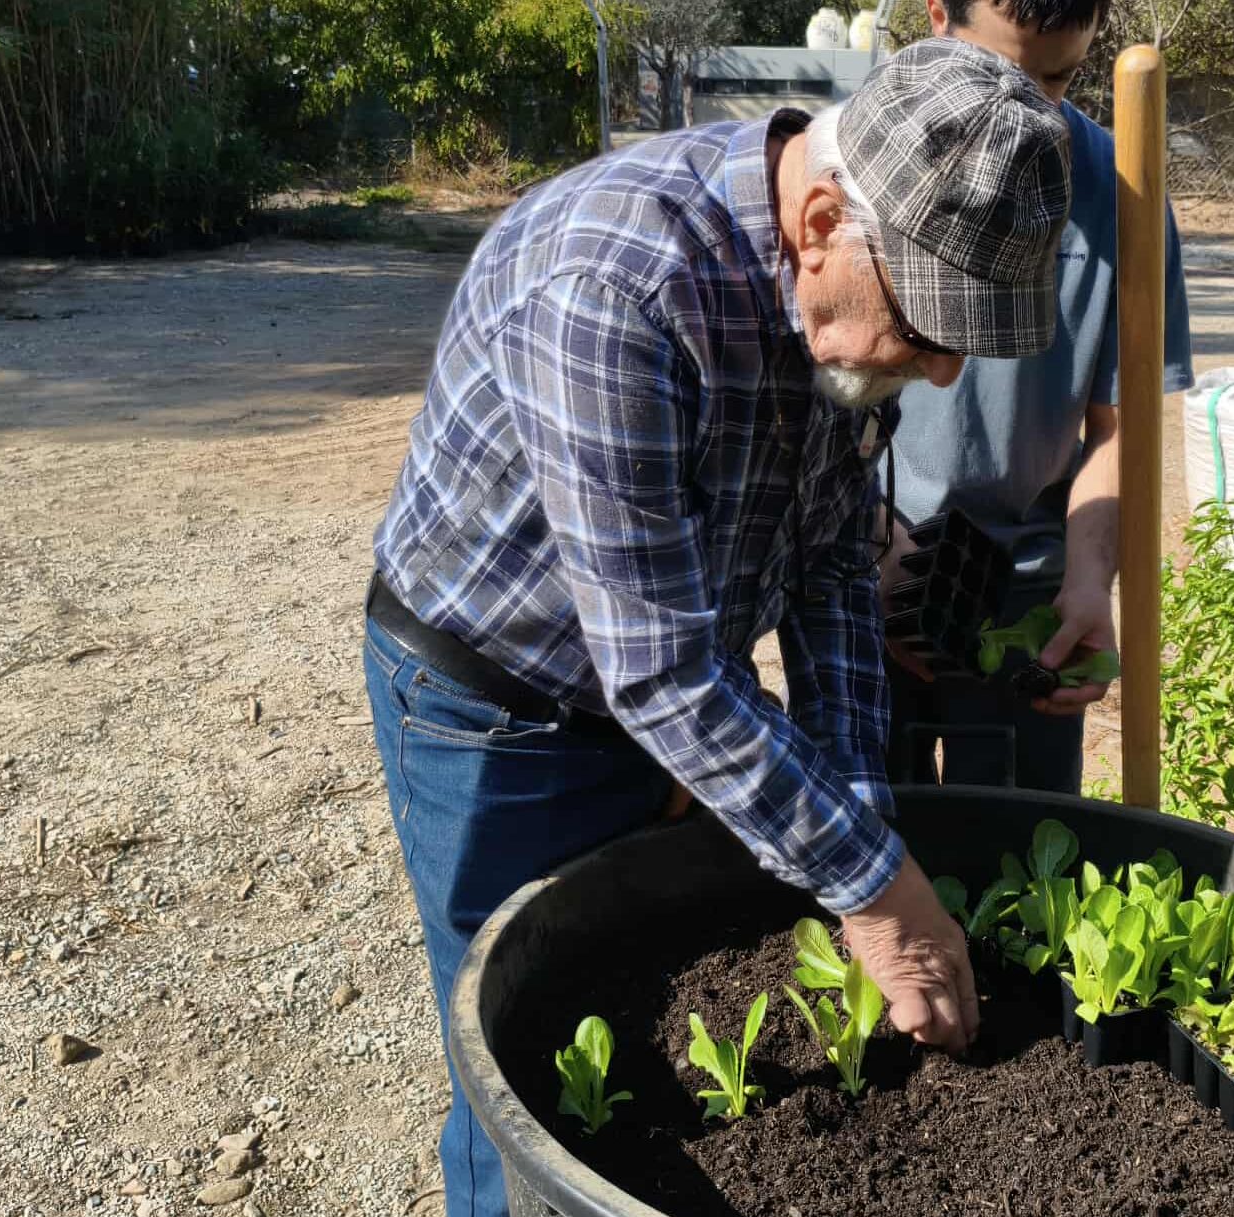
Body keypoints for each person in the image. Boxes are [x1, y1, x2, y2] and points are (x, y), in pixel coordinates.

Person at [362, 40, 1072, 1217]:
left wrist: (858, 812)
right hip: (499, 703)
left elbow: (836, 562)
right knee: (527, 1075)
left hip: (663, 687)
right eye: (928, 327)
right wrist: (879, 892)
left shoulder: (835, 308)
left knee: (649, 1015)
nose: (942, 373)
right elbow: (660, 673)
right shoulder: (616, 286)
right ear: (825, 218)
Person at [882, 0, 1196, 795]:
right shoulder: (864, 156)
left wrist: (1089, 579)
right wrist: (872, 540)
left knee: (1026, 868)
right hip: (854, 564)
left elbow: (1118, 426)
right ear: (937, 18)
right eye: (1000, 77)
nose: (1022, 119)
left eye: (1054, 82)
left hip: (1026, 588)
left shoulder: (1122, 194)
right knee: (863, 853)